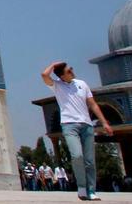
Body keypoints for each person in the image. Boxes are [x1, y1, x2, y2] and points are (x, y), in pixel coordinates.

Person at [43, 61, 113, 201]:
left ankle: (91, 190)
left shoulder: (82, 84)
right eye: (69, 70)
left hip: (86, 124)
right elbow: (44, 75)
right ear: (62, 76)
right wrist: (54, 64)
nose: (72, 71)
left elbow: (92, 104)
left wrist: (104, 122)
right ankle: (82, 187)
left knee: (89, 160)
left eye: (71, 69)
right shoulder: (57, 86)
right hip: (69, 125)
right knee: (77, 155)